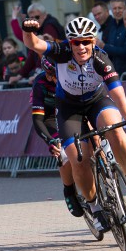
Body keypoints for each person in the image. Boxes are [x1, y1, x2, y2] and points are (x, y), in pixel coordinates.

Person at [21, 16, 126, 233]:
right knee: (79, 158)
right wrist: (27, 31)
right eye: (76, 42)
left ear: (94, 41)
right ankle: (95, 207)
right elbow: (35, 44)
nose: (81, 47)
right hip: (69, 109)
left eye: (86, 41)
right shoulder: (61, 52)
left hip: (96, 101)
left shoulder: (101, 59)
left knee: (116, 130)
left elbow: (118, 94)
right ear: (70, 43)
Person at [30, 56, 83, 217]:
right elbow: (38, 120)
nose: (53, 79)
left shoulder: (72, 75)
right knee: (63, 152)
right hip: (52, 118)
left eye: (56, 75)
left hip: (74, 112)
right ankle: (69, 190)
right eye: (50, 75)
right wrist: (50, 141)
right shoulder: (40, 84)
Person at [96, 0, 126, 75]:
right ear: (111, 10)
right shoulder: (111, 27)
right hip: (114, 72)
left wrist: (104, 46)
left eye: (120, 8)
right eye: (114, 8)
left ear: (125, 8)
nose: (117, 11)